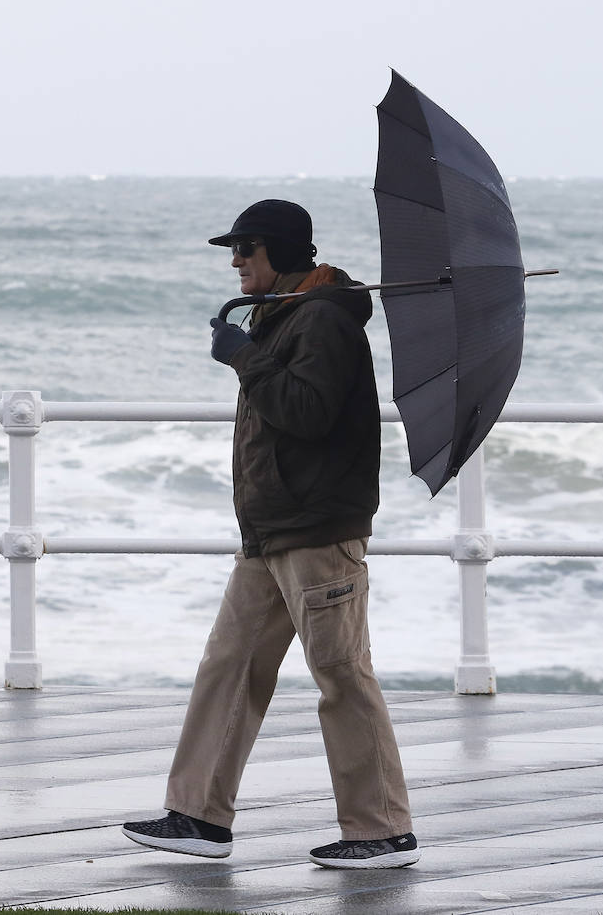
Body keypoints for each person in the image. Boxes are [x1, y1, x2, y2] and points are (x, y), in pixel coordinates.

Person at [122, 200, 419, 869]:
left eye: (247, 250)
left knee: (341, 675)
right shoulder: (281, 315)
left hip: (317, 531)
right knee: (228, 668)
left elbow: (307, 414)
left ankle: (384, 829)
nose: (234, 262)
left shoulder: (324, 322)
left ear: (280, 253)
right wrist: (252, 349)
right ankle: (198, 816)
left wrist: (246, 360)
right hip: (270, 531)